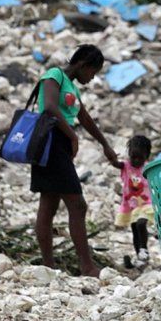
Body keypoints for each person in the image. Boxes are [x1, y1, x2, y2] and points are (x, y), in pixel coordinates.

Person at [32, 44, 119, 278]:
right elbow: (50, 107)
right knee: (77, 205)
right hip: (50, 141)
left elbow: (85, 118)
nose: (92, 78)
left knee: (49, 202)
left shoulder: (71, 87)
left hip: (59, 143)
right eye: (92, 72)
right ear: (82, 64)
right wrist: (72, 136)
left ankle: (48, 268)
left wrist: (105, 145)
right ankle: (86, 266)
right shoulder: (54, 75)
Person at [108, 135, 155, 269]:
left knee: (141, 224)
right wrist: (111, 157)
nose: (136, 160)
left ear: (147, 156)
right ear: (129, 155)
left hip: (146, 204)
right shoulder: (126, 166)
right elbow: (116, 163)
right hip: (131, 205)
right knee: (135, 230)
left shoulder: (148, 168)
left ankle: (144, 249)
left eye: (140, 158)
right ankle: (140, 256)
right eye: (133, 157)